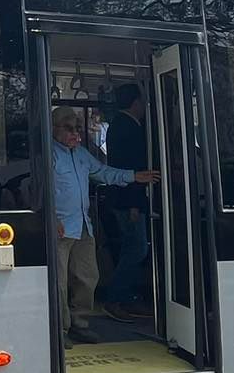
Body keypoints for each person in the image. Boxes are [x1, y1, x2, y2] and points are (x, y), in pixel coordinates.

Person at [51, 106, 159, 343]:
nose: (76, 134)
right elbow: (40, 190)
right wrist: (52, 219)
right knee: (58, 282)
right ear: (54, 129)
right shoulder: (49, 154)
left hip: (82, 225)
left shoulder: (80, 153)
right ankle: (59, 332)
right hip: (58, 227)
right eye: (69, 128)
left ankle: (80, 323)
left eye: (78, 128)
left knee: (88, 276)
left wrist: (134, 176)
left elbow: (102, 172)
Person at [95, 83, 153, 317]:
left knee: (134, 248)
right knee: (136, 249)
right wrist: (134, 205)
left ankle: (128, 296)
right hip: (128, 199)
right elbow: (127, 167)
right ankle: (116, 298)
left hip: (129, 198)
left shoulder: (122, 125)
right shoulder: (125, 127)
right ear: (136, 102)